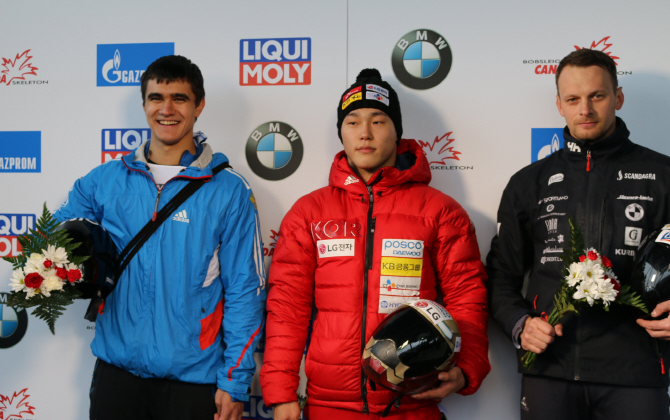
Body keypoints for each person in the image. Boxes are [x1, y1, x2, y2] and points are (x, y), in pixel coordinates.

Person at [260, 68, 490, 420]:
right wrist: (280, 392)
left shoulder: (441, 211)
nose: (364, 133)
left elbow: (467, 298)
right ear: (341, 132)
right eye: (352, 122)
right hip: (329, 407)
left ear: (397, 130)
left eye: (378, 121)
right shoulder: (309, 213)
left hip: (412, 404)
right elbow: (287, 308)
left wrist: (467, 367)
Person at [55, 55, 265, 420]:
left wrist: (234, 381)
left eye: (179, 98)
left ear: (199, 105)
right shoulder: (106, 180)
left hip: (191, 382)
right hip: (116, 375)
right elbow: (54, 239)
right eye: (156, 98)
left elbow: (246, 291)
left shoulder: (228, 191)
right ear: (144, 104)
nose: (166, 109)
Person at [486, 48, 670, 420]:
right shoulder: (528, 183)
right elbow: (500, 277)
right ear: (559, 105)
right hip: (550, 369)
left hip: (636, 371)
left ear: (617, 97)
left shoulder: (662, 175)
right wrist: (521, 326)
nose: (584, 109)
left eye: (597, 96)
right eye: (573, 99)